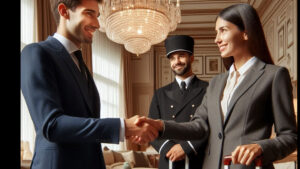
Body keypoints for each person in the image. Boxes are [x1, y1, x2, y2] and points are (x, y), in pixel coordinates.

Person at [134, 3, 297, 169]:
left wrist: (261, 147)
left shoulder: (274, 75)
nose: (216, 39)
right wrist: (161, 125)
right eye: (216, 32)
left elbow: (290, 137)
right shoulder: (216, 83)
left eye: (223, 30)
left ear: (245, 32)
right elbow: (198, 126)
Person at [20, 0, 157, 169]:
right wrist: (123, 127)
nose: (97, 24)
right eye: (89, 13)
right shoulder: (36, 53)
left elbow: (85, 127)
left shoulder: (81, 65)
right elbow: (51, 125)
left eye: (97, 16)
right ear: (64, 11)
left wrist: (129, 130)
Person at [148, 35, 208, 169]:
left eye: (181, 56)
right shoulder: (160, 94)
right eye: (173, 58)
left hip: (197, 160)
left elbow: (212, 126)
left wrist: (186, 147)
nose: (177, 61)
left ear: (191, 58)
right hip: (168, 160)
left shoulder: (208, 89)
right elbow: (150, 129)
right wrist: (170, 148)